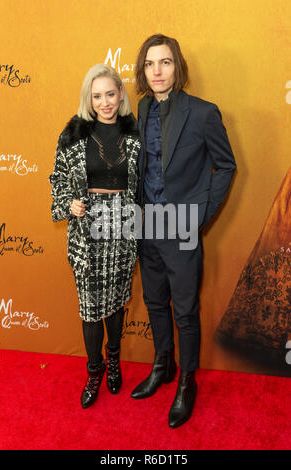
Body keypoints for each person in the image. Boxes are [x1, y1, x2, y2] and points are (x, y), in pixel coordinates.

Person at [131, 34, 237, 428]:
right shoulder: (141, 109)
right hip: (147, 225)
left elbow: (226, 166)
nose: (157, 71)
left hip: (182, 227)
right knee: (156, 303)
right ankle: (164, 366)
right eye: (150, 64)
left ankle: (186, 383)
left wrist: (199, 216)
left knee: (186, 311)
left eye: (166, 62)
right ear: (143, 70)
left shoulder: (203, 113)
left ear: (178, 67)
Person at [49, 64, 140, 409]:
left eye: (110, 94)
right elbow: (56, 178)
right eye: (97, 96)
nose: (105, 102)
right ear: (89, 98)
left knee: (115, 303)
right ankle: (94, 371)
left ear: (120, 95)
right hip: (86, 230)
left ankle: (114, 361)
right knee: (90, 308)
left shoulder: (135, 135)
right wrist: (66, 203)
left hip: (122, 228)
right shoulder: (72, 135)